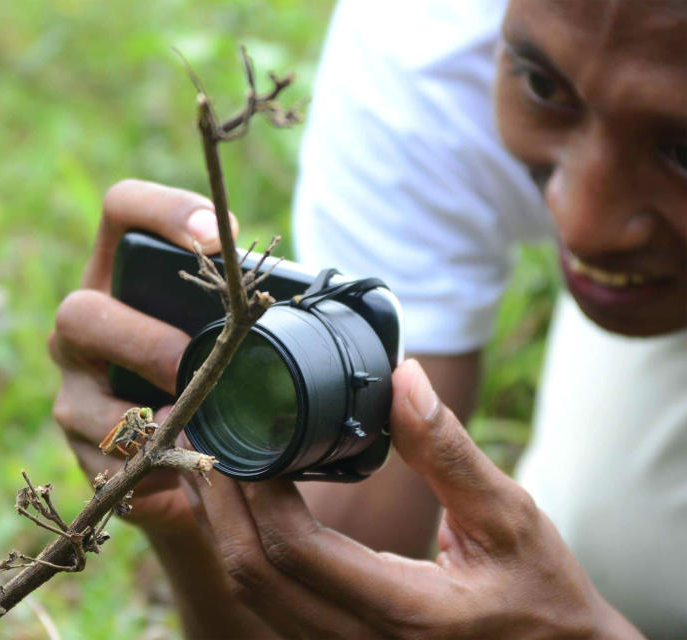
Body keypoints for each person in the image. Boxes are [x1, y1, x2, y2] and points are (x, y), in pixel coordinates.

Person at [49, 0, 687, 636]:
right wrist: (201, 522)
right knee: (620, 549)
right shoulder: (427, 43)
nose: (582, 226)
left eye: (682, 150)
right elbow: (322, 609)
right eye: (543, 87)